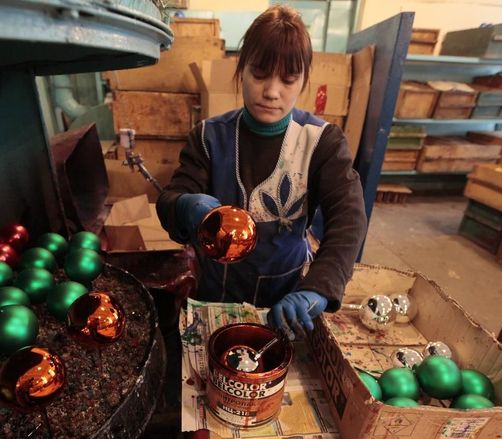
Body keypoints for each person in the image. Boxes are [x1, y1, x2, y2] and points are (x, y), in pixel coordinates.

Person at [156, 5, 368, 339]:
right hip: (215, 296)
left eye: (288, 79)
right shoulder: (209, 137)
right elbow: (172, 196)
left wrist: (319, 288)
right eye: (259, 74)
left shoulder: (321, 142)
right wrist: (183, 205)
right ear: (241, 69)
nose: (272, 92)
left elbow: (348, 220)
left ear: (304, 80)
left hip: (287, 299)